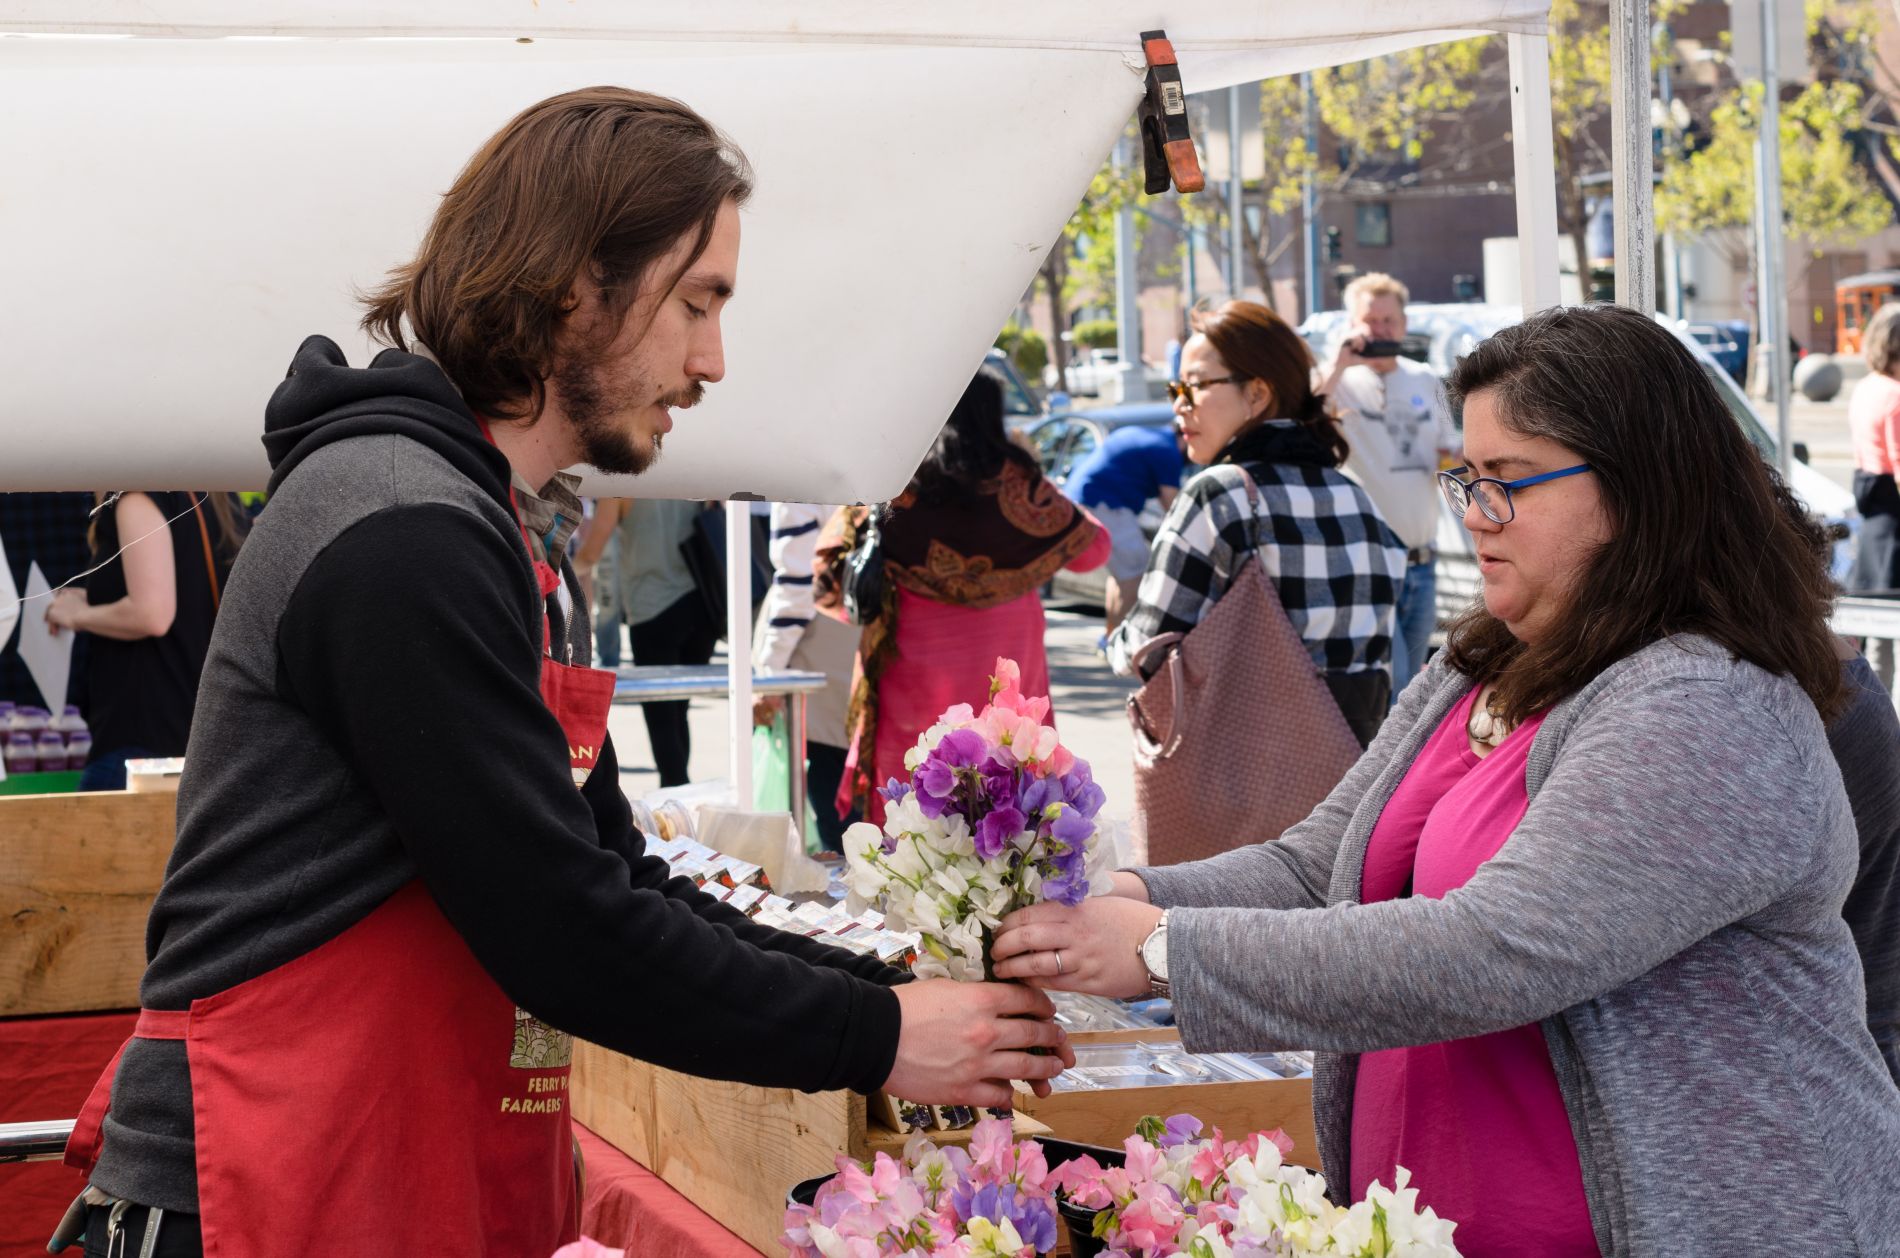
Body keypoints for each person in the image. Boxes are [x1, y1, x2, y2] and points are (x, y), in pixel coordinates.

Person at [57, 88, 1070, 1258]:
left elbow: (612, 871)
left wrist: (881, 982)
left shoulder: (462, 516)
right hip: (254, 1187)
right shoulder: (400, 531)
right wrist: (875, 1032)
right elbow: (564, 925)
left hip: (374, 1161)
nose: (714, 359)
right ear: (572, 285)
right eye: (697, 302)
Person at [993, 304, 1900, 1255]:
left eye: (1509, 481)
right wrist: (1130, 896)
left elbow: (1497, 947)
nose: (1472, 512)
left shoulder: (1709, 700)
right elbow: (1319, 866)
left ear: (1640, 489)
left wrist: (1169, 951)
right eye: (1466, 477)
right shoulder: (1485, 662)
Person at [1106, 300, 1405, 747]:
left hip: (1243, 770)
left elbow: (1147, 650)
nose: (1179, 407)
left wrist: (1115, 639)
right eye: (1175, 391)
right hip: (1350, 773)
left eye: (1193, 387)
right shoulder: (1356, 496)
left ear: (1257, 394)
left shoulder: (1220, 494)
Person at [828, 370, 1109, 827]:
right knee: (1008, 799)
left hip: (914, 666)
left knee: (915, 796)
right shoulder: (1020, 482)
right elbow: (1095, 549)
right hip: (1008, 659)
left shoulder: (898, 482)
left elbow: (833, 571)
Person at [44, 492, 247, 790]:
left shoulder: (137, 493)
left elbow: (152, 614)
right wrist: (94, 600)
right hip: (198, 741)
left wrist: (79, 616)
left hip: (142, 744)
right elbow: (188, 599)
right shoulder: (215, 494)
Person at [1316, 273, 1458, 699]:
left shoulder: (1425, 379)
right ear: (1351, 324)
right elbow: (1303, 417)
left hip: (1423, 559)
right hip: (1370, 563)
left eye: (1388, 320)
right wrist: (1340, 362)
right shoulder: (1336, 382)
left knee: (1413, 683)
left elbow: (1449, 447)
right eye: (1369, 319)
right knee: (1393, 686)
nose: (1379, 329)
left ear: (1404, 322)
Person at [574, 496, 717, 785]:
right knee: (678, 711)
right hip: (700, 603)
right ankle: (679, 793)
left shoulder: (625, 483)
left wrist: (562, 569)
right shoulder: (690, 471)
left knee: (662, 718)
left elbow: (593, 551)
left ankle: (676, 797)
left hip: (651, 608)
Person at [753, 501, 860, 854]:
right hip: (866, 635)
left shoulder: (800, 473)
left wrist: (770, 673)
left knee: (837, 809)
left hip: (820, 647)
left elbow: (798, 585)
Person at [1063, 422, 1184, 635]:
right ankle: (1120, 647)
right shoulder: (1168, 450)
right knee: (1136, 575)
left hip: (1082, 499)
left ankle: (1110, 638)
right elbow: (1175, 508)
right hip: (1105, 505)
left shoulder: (1140, 433)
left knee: (1122, 576)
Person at [1848, 302, 1900, 689]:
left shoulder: (1865, 388)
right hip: (1894, 520)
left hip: (1872, 520)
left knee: (1876, 630)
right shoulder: (1896, 396)